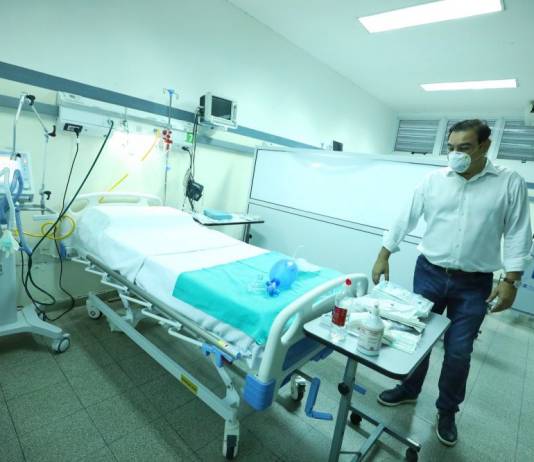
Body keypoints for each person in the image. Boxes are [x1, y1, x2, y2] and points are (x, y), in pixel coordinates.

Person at [372, 119, 532, 447]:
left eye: (465, 148)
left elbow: (518, 232)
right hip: (429, 272)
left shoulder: (508, 183)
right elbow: (405, 217)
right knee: (416, 338)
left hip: (474, 283)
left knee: (458, 351)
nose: (455, 154)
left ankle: (447, 411)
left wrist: (511, 281)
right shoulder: (433, 181)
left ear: (485, 146)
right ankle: (409, 388)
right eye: (451, 148)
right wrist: (383, 254)